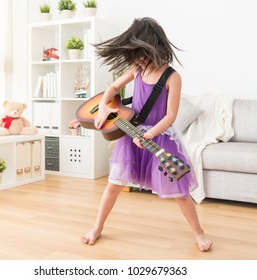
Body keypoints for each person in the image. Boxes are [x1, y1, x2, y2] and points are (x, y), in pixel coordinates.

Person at [81, 17, 212, 252]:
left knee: (180, 191)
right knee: (113, 184)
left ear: (153, 47)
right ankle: (97, 227)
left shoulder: (173, 77)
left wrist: (150, 134)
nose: (138, 58)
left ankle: (198, 232)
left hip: (159, 138)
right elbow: (111, 89)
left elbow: (170, 115)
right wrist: (102, 107)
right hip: (132, 136)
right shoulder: (137, 69)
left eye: (140, 52)